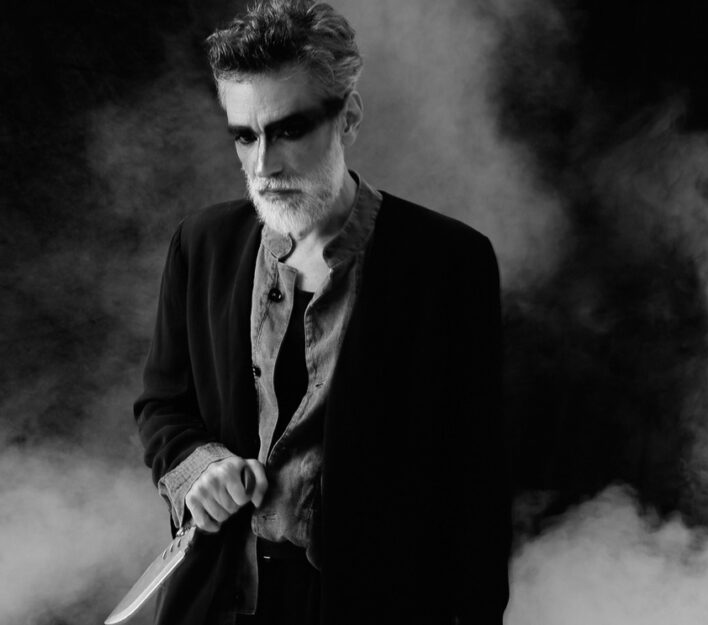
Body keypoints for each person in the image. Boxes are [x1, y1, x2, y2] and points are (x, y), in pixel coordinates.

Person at [134, 1, 511, 623]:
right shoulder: (201, 244)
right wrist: (200, 467)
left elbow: (475, 484)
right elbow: (162, 406)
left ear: (349, 117)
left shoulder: (449, 261)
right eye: (245, 136)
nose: (264, 166)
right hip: (220, 599)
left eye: (289, 131)